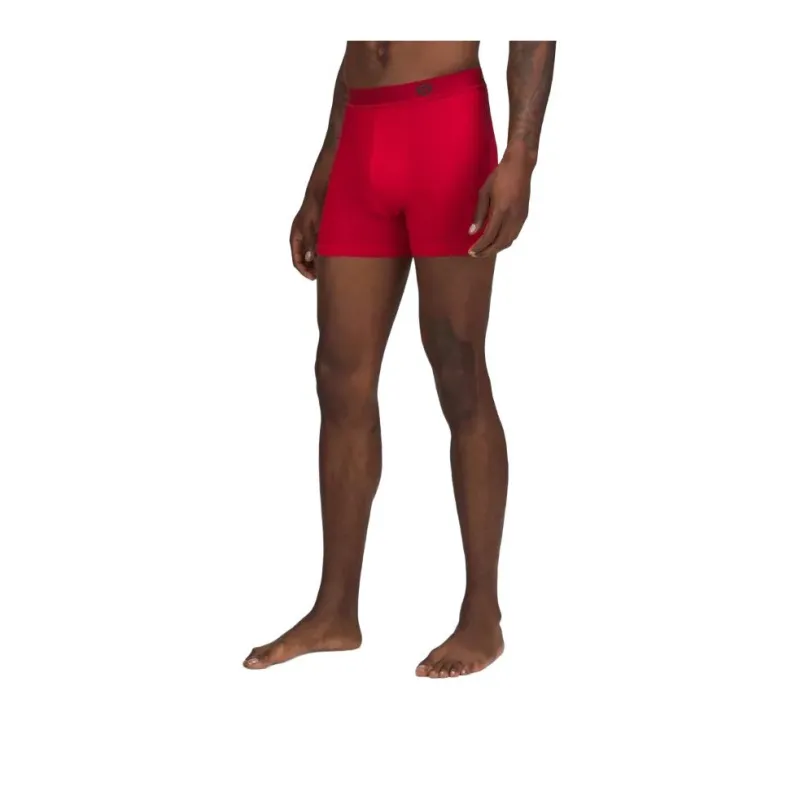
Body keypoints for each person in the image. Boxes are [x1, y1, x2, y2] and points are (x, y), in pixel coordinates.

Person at [244, 41, 556, 678]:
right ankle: (335, 611)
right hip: (362, 132)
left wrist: (521, 154)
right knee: (338, 376)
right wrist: (323, 173)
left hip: (446, 125)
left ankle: (482, 614)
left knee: (457, 368)